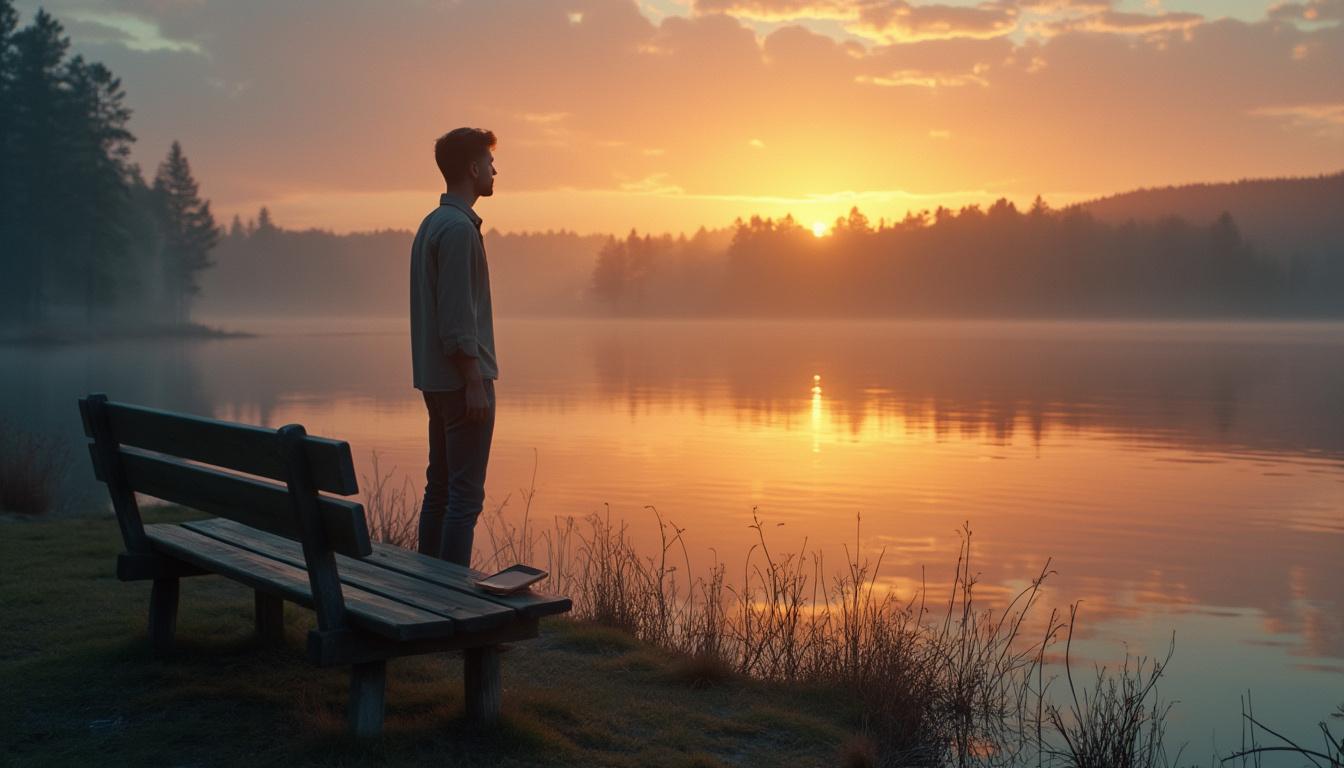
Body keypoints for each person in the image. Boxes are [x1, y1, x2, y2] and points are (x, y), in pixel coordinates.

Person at [409, 127, 498, 566]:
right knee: (464, 499)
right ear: (472, 168)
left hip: (435, 381)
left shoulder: (431, 223)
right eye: (490, 161)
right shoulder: (460, 229)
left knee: (440, 489)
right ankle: (450, 605)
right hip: (462, 383)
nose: (495, 170)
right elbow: (458, 319)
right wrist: (474, 381)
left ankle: (427, 593)